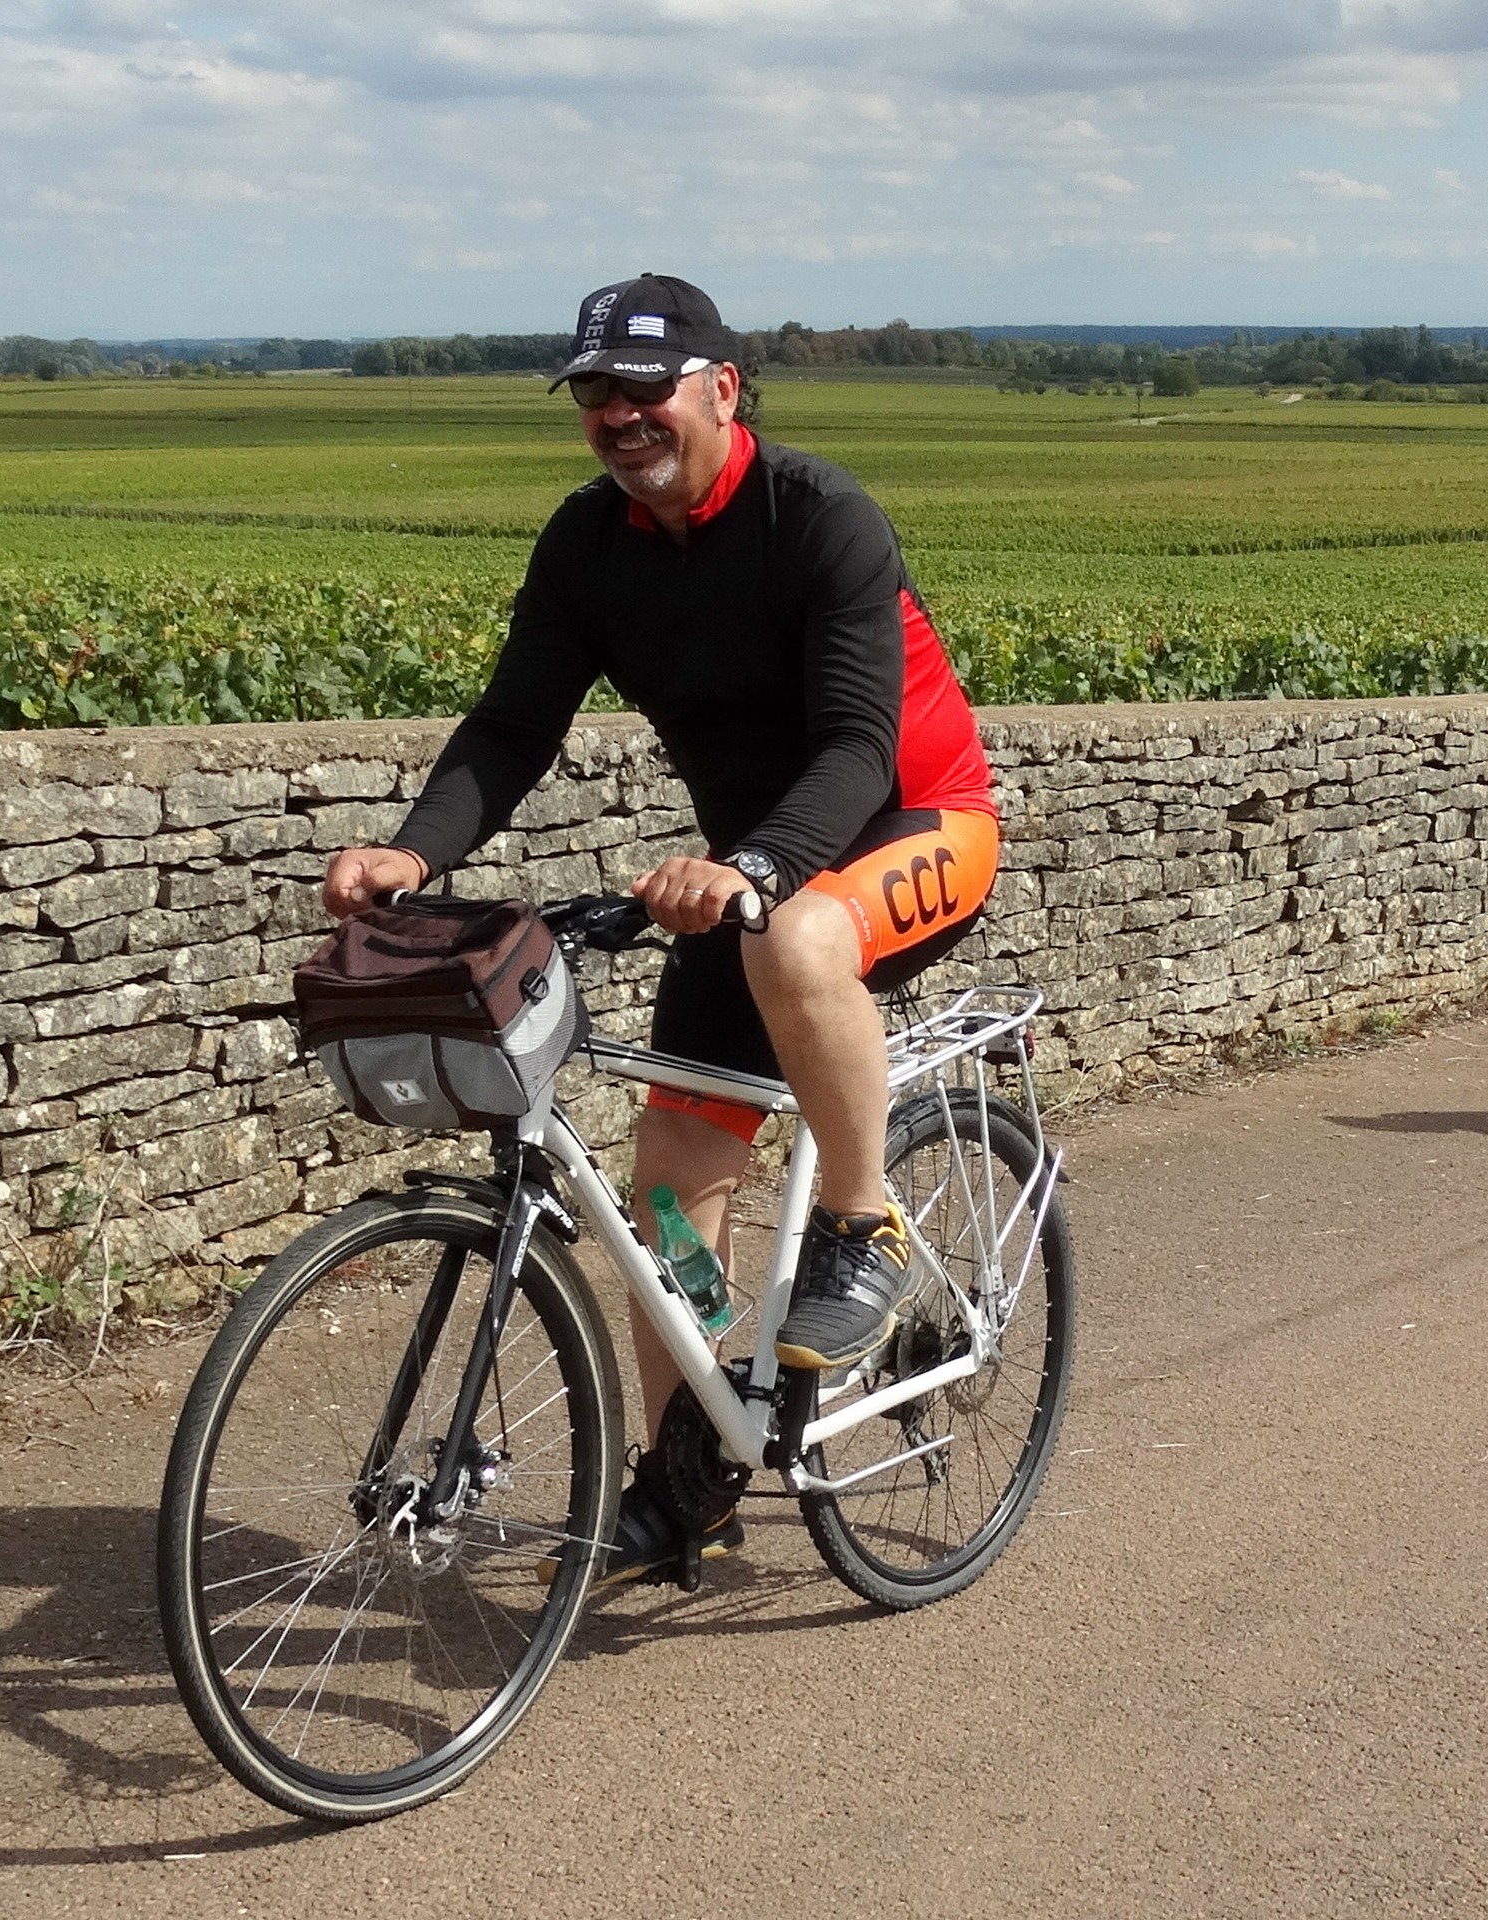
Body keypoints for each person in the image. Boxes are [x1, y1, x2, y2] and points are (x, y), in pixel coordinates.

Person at [321, 273, 997, 1584]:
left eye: (646, 390)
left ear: (721, 390)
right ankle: (697, 1466)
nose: (620, 417)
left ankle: (863, 1224)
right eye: (594, 395)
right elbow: (514, 724)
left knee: (796, 940)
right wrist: (413, 849)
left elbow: (860, 745)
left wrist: (754, 866)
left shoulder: (821, 519)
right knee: (666, 1197)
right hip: (740, 880)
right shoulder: (589, 545)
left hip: (915, 827)